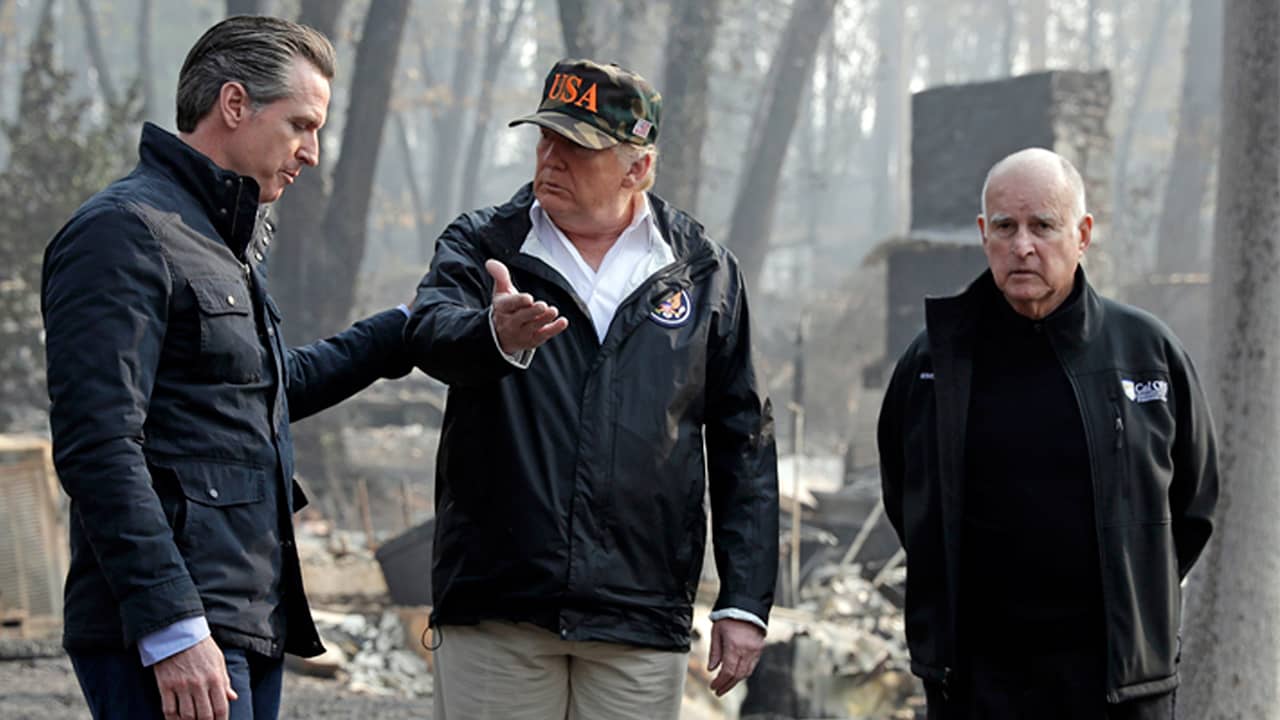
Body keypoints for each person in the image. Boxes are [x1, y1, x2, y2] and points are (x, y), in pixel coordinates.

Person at [42, 16, 412, 720]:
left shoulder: (218, 240)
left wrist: (399, 333)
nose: (311, 152)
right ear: (235, 105)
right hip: (171, 630)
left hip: (241, 616)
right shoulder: (123, 233)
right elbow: (98, 444)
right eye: (301, 125)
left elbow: (260, 394)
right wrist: (172, 626)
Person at [405, 58, 779, 719]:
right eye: (545, 137)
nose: (550, 158)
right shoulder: (484, 243)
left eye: (578, 147)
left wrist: (745, 599)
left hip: (639, 615)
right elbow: (428, 337)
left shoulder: (702, 271)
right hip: (500, 607)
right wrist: (492, 335)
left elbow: (743, 439)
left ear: (639, 168)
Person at [877, 147, 1219, 719]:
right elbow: (906, 496)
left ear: (1083, 234)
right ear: (984, 234)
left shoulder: (1146, 355)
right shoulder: (935, 361)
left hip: (1116, 683)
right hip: (979, 683)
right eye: (1006, 227)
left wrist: (1135, 584)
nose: (1022, 246)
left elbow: (1193, 504)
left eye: (1043, 226)